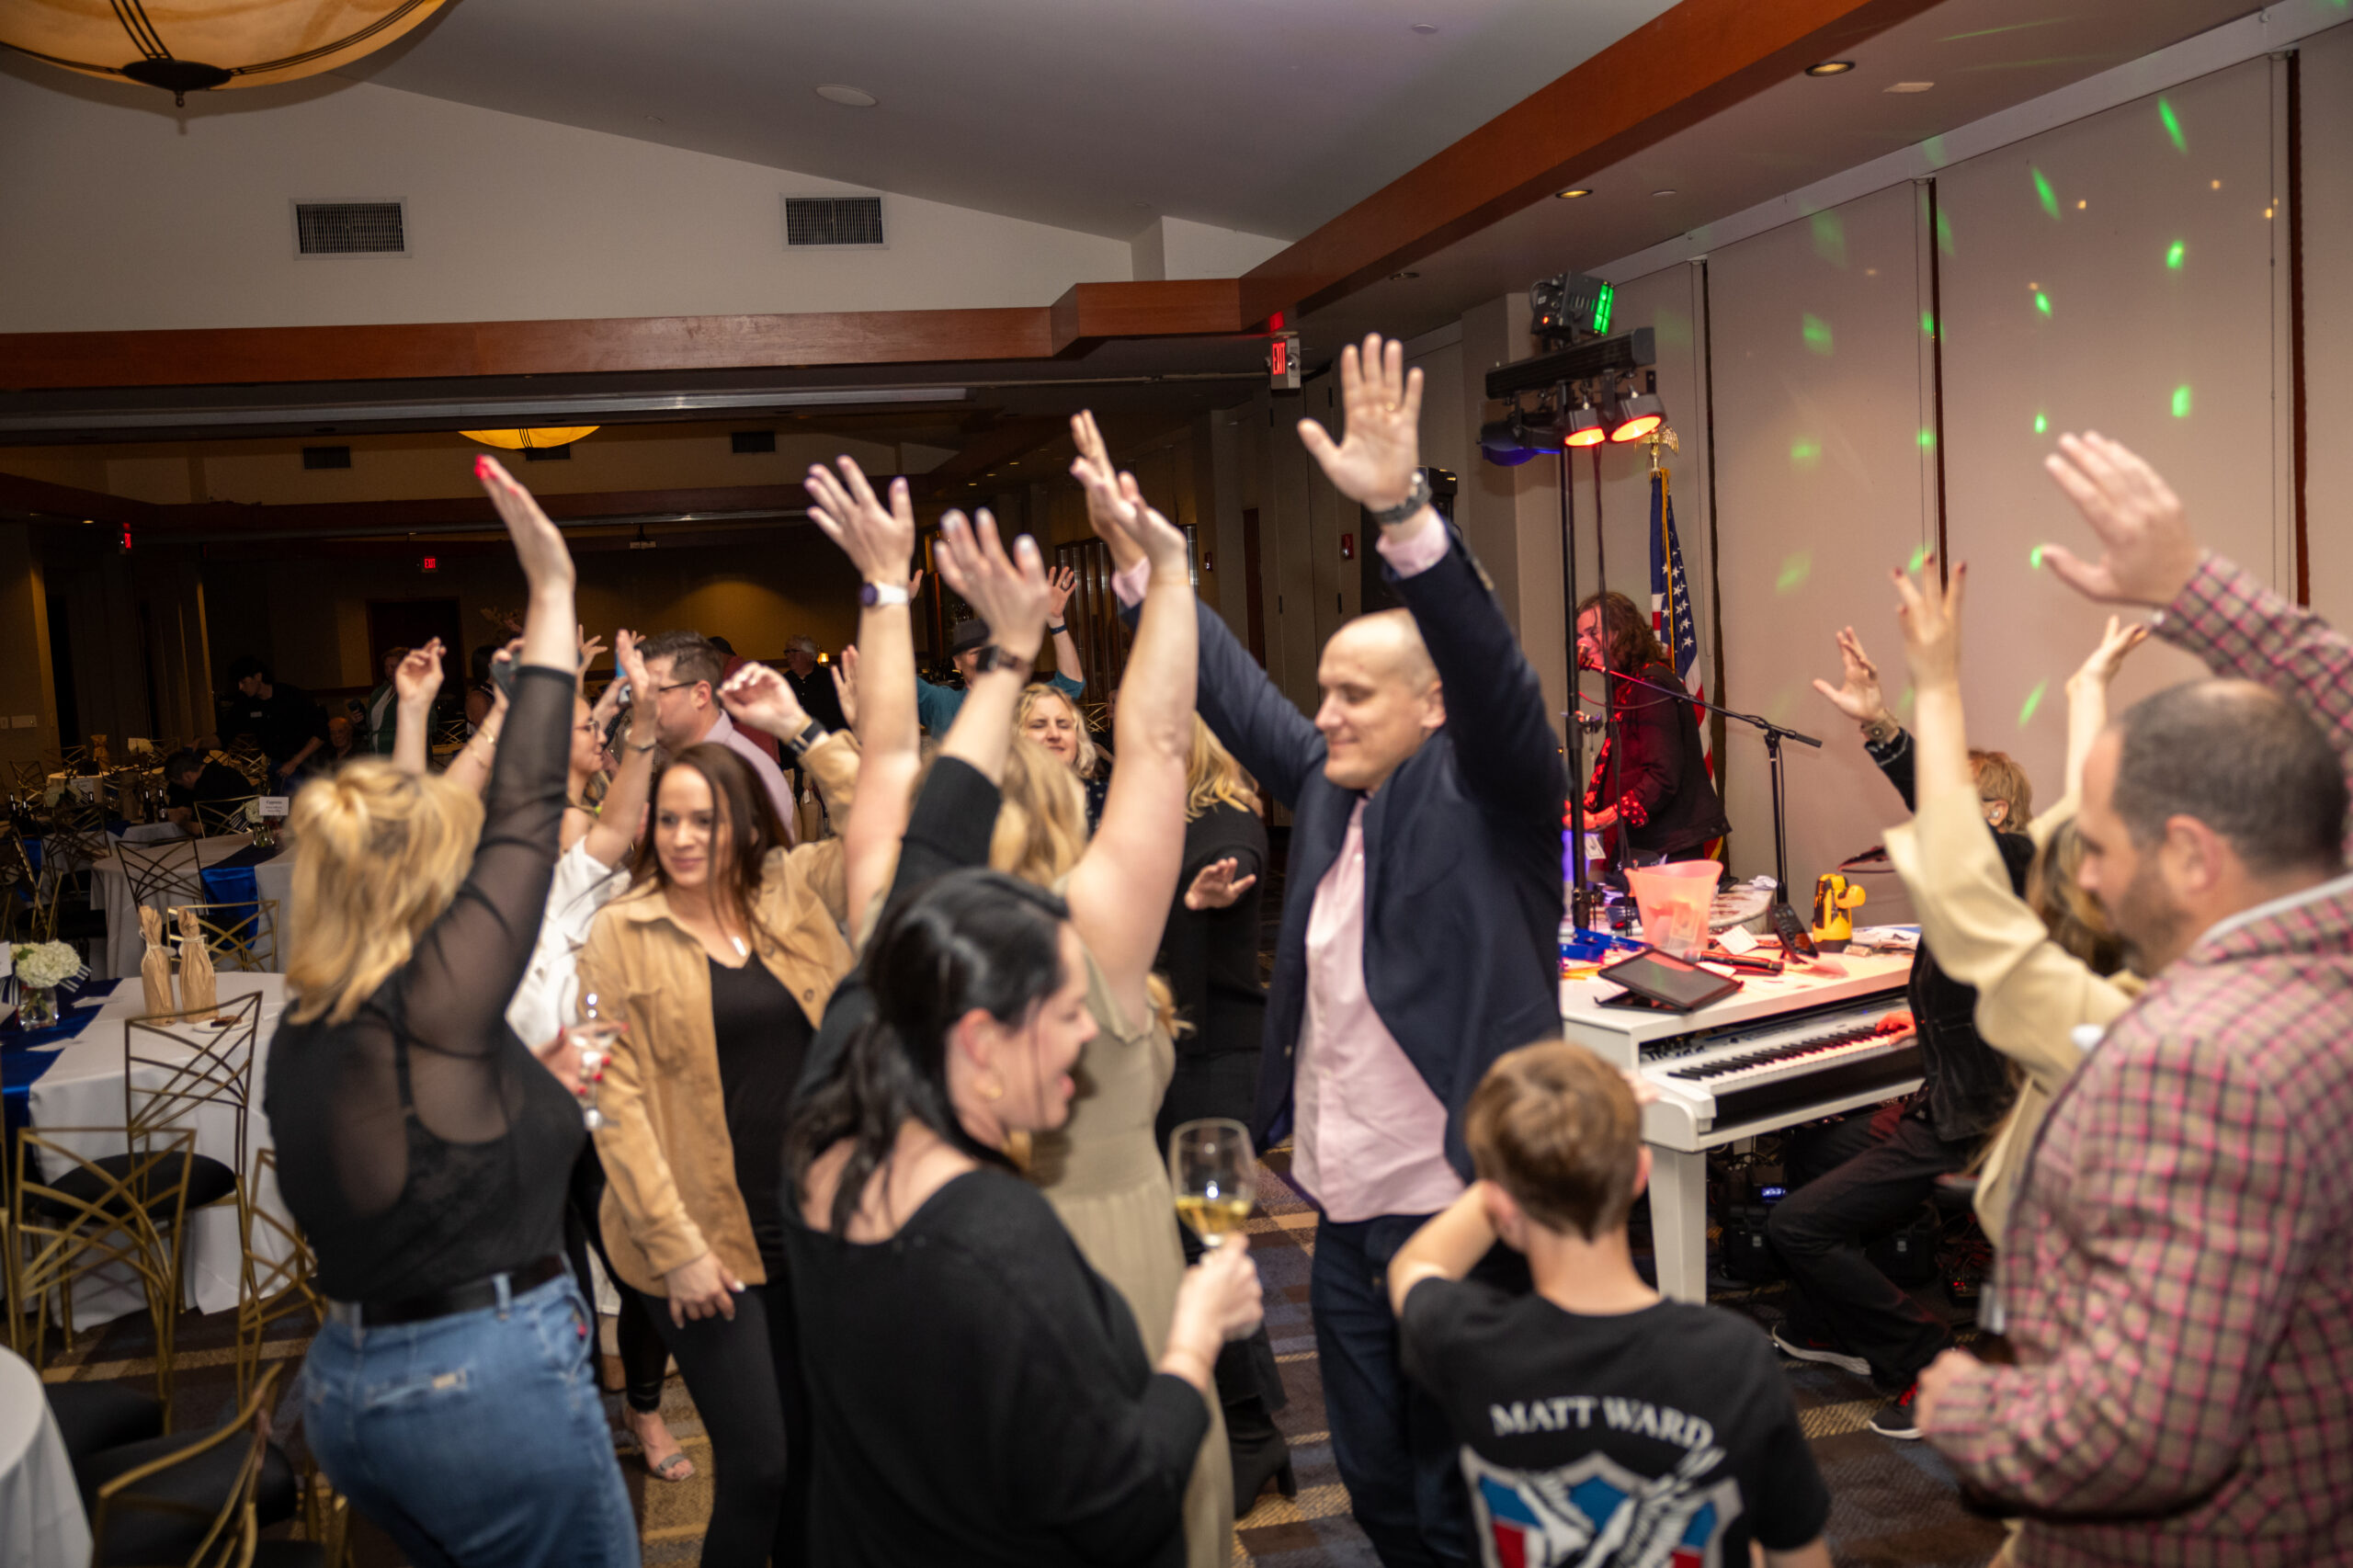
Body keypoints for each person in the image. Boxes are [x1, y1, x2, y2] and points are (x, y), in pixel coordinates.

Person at [1086, 332, 1569, 1568]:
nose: (1328, 713)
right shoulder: (1333, 785)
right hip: (1346, 1212)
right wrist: (1155, 573)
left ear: (1433, 702)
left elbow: (1495, 669)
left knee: (1471, 1487)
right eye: (1326, 690)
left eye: (1358, 693)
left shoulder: (1499, 792)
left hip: (1467, 1206)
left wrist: (1406, 517)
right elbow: (1228, 687)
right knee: (1374, 1481)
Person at [1915, 432, 2353, 1566]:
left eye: (2100, 848)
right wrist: (2193, 591)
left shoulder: (2196, 1058)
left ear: (2197, 855)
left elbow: (2141, 1434)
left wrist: (1964, 1403)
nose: (2089, 877)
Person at [813, 444, 1237, 1566]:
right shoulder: (1096, 932)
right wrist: (1166, 569)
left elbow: (889, 750)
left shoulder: (893, 946)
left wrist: (887, 590)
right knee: (1125, 1498)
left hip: (931, 1284)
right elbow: (1153, 741)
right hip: (1119, 1270)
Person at [262, 455, 637, 1567]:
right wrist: (554, 589)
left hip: (349, 1387)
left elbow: (427, 1163)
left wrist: (545, 1084)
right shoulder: (429, 994)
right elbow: (526, 811)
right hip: (478, 1382)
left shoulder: (313, 1023)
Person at [781, 868, 1267, 1568]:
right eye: (1070, 1011)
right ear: (981, 1041)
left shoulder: (818, 1152)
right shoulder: (998, 1236)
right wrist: (1195, 1337)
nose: (1085, 1034)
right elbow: (1121, 1504)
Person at [578, 720, 855, 1567]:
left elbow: (879, 819)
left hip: (810, 1222)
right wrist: (679, 1250)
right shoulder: (619, 932)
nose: (685, 838)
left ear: (745, 823)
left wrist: (810, 733)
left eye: (705, 819)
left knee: (817, 1458)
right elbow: (607, 1102)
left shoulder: (789, 892)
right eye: (668, 819)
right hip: (692, 1239)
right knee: (762, 1462)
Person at [1391, 1043, 1834, 1568]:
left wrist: (1514, 1167)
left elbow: (1414, 1265)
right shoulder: (1735, 1357)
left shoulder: (1465, 1341)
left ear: (1500, 1206)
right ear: (1640, 1173)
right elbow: (1799, 1558)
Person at [1782, 614, 2039, 1438]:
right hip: (1950, 1099)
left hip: (1973, 1127)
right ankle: (1829, 1321)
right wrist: (1924, 1029)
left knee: (1794, 1223)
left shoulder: (2018, 864)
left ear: (1992, 814)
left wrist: (1884, 728)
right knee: (1814, 1146)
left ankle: (1921, 1363)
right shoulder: (1980, 886)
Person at [1153, 716, 1292, 1510]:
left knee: (1206, 1246)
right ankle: (1232, 1419)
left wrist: (1203, 889)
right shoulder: (1160, 809)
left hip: (1217, 1055)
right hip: (1177, 1047)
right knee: (1184, 1244)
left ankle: (1253, 1432)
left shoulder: (1227, 812)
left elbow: (1232, 863)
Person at [1572, 590, 1727, 869]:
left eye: (1592, 632)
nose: (1583, 644)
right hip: (1643, 847)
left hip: (1666, 851)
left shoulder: (1649, 685)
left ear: (1620, 632)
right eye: (1581, 635)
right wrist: (1586, 811)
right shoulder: (1627, 687)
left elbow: (1662, 776)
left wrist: (1602, 818)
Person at [637, 630, 801, 844]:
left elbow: (765, 870)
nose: (642, 706)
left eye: (656, 692)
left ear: (700, 695)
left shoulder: (743, 769)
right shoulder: (681, 759)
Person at [916, 562, 1086, 734]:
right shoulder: (943, 704)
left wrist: (1056, 621)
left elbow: (1071, 685)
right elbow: (898, 683)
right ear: (957, 662)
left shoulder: (1023, 704)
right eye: (976, 653)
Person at [222, 654, 329, 791]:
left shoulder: (292, 696)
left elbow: (321, 732)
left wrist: (294, 762)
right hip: (276, 766)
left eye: (244, 682)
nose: (240, 687)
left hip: (307, 763)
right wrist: (200, 743)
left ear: (258, 677)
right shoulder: (245, 703)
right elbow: (225, 733)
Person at [1018, 681, 1111, 830]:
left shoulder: (1108, 799)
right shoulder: (1001, 805)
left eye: (1063, 725)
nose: (1054, 734)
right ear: (1017, 736)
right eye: (1039, 725)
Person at [162, 746, 254, 835]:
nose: (184, 788)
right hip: (252, 828)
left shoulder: (203, 787)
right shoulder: (229, 772)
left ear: (187, 776)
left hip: (225, 838)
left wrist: (179, 821)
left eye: (180, 784)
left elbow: (198, 829)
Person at [365, 645, 408, 756]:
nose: (389, 671)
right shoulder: (380, 693)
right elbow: (371, 724)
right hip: (378, 754)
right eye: (386, 667)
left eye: (393, 667)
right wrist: (358, 721)